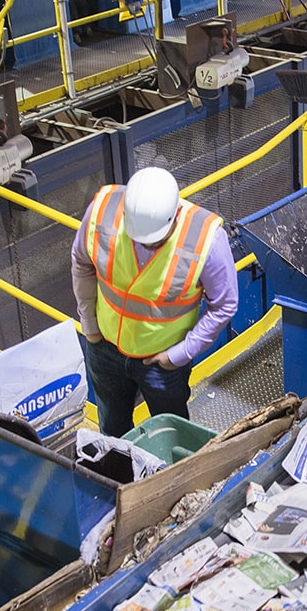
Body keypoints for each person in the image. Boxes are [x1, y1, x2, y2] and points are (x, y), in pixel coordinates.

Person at [71, 167, 237, 438]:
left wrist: (180, 354)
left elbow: (225, 305)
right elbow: (81, 263)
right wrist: (89, 323)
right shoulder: (102, 211)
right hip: (104, 347)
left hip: (163, 363)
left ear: (175, 216)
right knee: (112, 432)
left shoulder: (206, 240)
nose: (145, 245)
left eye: (154, 241)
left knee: (171, 432)